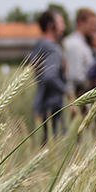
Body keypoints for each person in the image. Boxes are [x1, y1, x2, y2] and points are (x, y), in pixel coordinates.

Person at [28, 10, 68, 143]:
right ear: (51, 26)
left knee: (44, 147)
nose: (64, 27)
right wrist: (66, 91)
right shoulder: (53, 48)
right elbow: (50, 76)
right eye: (61, 23)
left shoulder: (37, 46)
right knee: (56, 145)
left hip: (40, 103)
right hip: (53, 105)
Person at [63, 8, 96, 97]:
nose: (94, 28)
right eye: (91, 24)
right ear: (80, 22)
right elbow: (75, 75)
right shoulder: (75, 44)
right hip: (78, 96)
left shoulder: (82, 43)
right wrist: (95, 81)